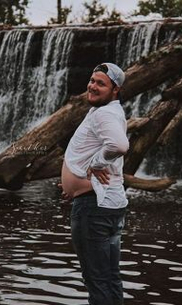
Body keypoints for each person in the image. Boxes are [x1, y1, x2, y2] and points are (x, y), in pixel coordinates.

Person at [61, 63, 129, 305]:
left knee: (96, 279)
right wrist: (75, 183)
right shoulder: (108, 111)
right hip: (107, 204)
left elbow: (119, 146)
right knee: (110, 277)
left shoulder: (104, 113)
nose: (92, 86)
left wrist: (96, 165)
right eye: (92, 80)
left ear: (115, 89)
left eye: (101, 83)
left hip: (94, 208)